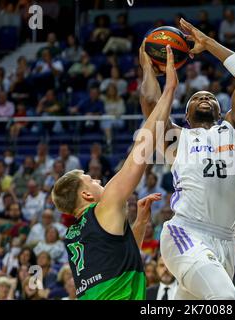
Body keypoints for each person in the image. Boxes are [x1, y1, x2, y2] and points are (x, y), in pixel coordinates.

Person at [141, 19, 235, 300]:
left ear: (221, 110)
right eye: (196, 98)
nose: (204, 97)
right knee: (225, 300)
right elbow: (151, 105)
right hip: (186, 232)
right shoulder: (177, 139)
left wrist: (208, 45)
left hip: (225, 242)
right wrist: (147, 65)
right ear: (186, 115)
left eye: (209, 96)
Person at [51, 44, 178, 300]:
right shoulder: (105, 205)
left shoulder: (74, 234)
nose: (98, 180)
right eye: (92, 179)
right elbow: (141, 150)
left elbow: (119, 258)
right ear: (86, 195)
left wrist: (140, 222)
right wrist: (169, 90)